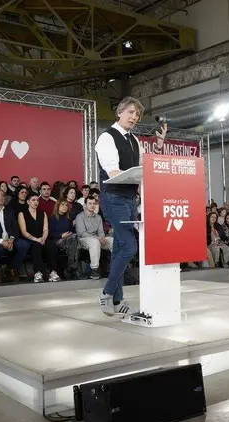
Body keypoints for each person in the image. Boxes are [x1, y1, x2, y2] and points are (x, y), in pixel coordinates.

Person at [94, 96, 165, 316]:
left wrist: (159, 145)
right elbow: (112, 170)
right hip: (113, 197)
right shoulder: (107, 137)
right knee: (129, 247)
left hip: (129, 199)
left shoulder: (135, 140)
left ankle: (118, 300)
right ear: (120, 112)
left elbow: (144, 167)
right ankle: (106, 293)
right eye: (131, 112)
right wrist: (131, 176)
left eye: (137, 114)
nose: (134, 117)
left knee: (119, 248)